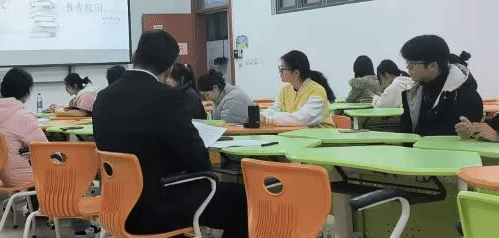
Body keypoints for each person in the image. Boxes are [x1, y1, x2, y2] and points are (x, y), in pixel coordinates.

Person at [93, 30, 249, 238]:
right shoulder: (166, 97)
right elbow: (198, 162)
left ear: (135, 57)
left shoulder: (103, 96)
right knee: (246, 200)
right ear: (168, 70)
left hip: (116, 205)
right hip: (157, 208)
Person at [398, 35, 483, 136]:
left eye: (411, 64)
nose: (408, 67)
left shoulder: (464, 96)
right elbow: (405, 131)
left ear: (433, 66)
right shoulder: (414, 93)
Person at [0, 68, 47, 187]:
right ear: (26, 92)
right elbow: (45, 148)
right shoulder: (22, 116)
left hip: (1, 175)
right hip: (24, 177)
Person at [262, 50, 336, 127]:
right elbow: (276, 108)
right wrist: (261, 116)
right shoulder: (285, 89)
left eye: (282, 69)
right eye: (279, 69)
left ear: (296, 73)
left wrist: (268, 119)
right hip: (296, 131)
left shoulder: (317, 90)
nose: (280, 72)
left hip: (320, 132)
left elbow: (304, 119)